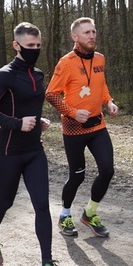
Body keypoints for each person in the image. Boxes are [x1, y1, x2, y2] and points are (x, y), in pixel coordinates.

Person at [0, 22, 68, 266]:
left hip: (34, 151)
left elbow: (30, 106)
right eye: (30, 46)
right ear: (16, 45)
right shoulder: (4, 75)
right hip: (9, 151)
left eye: (38, 45)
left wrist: (38, 122)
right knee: (5, 201)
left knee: (41, 204)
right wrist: (17, 124)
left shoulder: (38, 74)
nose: (35, 50)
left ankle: (47, 265)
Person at [46, 17, 119, 238]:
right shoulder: (66, 62)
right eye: (86, 32)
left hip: (97, 125)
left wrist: (109, 101)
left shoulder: (100, 59)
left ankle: (89, 213)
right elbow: (50, 94)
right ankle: (64, 216)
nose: (92, 36)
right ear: (75, 37)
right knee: (77, 176)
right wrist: (72, 112)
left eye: (94, 31)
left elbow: (101, 83)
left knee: (107, 170)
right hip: (74, 129)